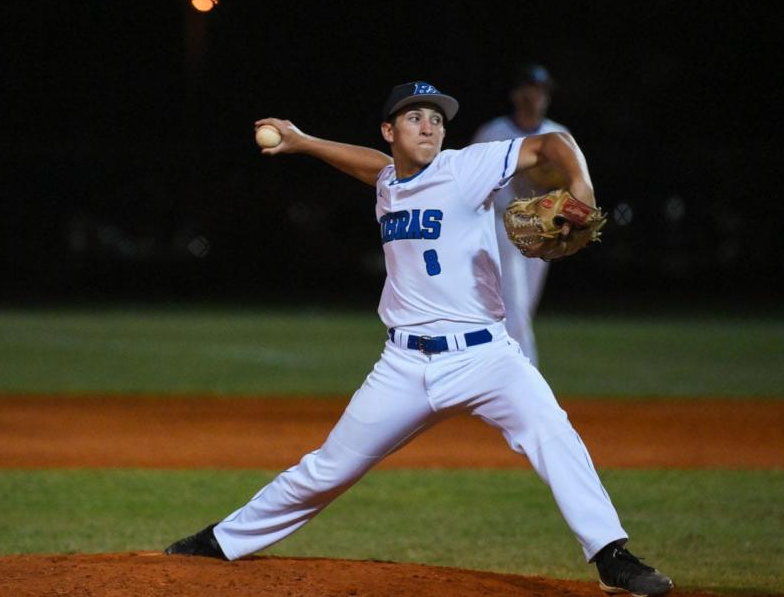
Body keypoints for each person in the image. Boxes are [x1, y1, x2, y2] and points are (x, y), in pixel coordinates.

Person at [165, 81, 673, 597]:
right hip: (403, 368)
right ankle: (222, 541)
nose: (429, 125)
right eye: (414, 118)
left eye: (436, 117)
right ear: (390, 131)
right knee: (327, 469)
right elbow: (374, 168)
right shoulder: (389, 181)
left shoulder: (465, 168)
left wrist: (582, 188)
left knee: (553, 432)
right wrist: (304, 142)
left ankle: (612, 554)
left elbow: (552, 142)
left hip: (486, 358)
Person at [471, 64, 567, 365]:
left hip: (543, 230)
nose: (534, 96)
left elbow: (573, 186)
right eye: (529, 89)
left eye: (540, 91)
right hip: (501, 227)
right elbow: (471, 184)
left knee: (522, 309)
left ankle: (495, 371)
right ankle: (527, 377)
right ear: (515, 94)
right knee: (514, 307)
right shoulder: (493, 133)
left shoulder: (558, 135)